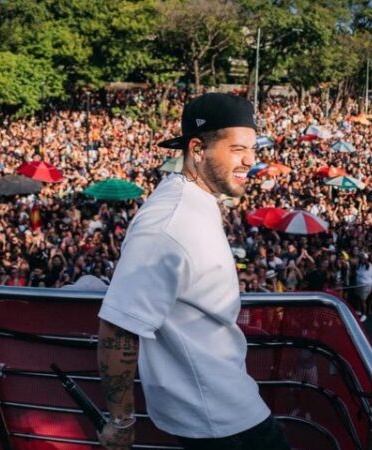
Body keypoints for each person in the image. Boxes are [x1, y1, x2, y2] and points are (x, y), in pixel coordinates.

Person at [96, 93, 290, 450]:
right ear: (197, 149)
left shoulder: (195, 202)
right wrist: (120, 423)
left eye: (253, 148)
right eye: (237, 149)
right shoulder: (169, 222)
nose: (251, 160)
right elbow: (118, 327)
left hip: (223, 404)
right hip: (219, 419)